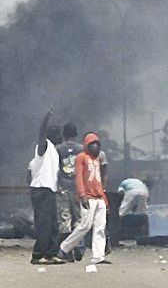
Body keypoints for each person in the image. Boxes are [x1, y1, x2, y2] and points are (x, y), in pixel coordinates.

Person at [58, 132, 111, 264]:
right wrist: (82, 195)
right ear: (87, 145)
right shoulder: (81, 157)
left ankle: (98, 256)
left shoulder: (97, 159)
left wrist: (105, 199)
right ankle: (64, 248)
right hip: (88, 197)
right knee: (85, 226)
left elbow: (99, 181)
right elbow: (79, 178)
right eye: (92, 144)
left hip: (99, 197)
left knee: (100, 227)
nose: (95, 147)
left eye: (97, 145)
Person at [28, 109, 65, 265]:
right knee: (43, 224)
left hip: (49, 190)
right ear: (50, 135)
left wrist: (58, 187)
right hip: (41, 189)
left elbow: (55, 174)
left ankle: (51, 253)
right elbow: (41, 133)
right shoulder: (43, 146)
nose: (60, 136)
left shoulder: (55, 152)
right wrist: (46, 118)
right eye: (56, 133)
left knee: (53, 223)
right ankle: (37, 255)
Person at [55, 122, 84, 259]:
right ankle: (78, 246)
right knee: (78, 218)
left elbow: (55, 170)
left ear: (64, 134)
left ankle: (66, 251)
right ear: (75, 134)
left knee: (64, 219)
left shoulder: (57, 149)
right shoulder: (82, 149)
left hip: (63, 187)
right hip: (78, 188)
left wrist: (57, 185)